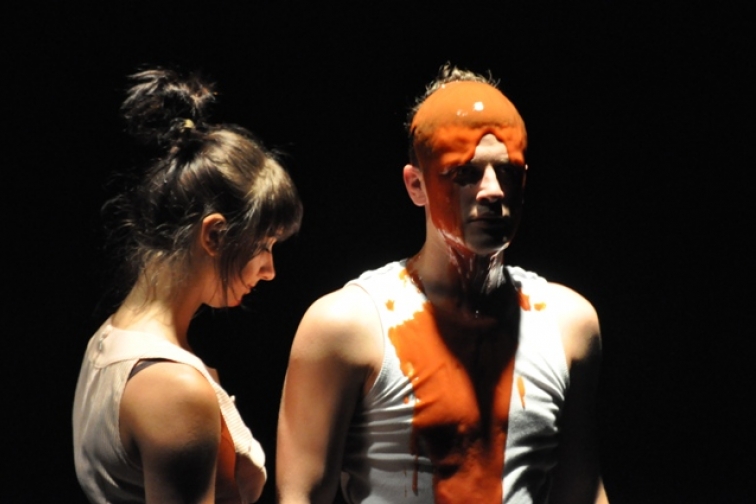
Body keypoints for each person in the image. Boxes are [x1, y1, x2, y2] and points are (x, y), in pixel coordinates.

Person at [276, 65, 608, 504]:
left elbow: (583, 491)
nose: (492, 191)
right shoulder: (348, 326)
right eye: (464, 172)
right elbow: (298, 495)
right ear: (416, 185)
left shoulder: (569, 326)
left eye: (507, 171)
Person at [73, 68, 302, 504]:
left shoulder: (108, 340)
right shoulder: (171, 387)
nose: (270, 270)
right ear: (214, 235)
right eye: (264, 246)